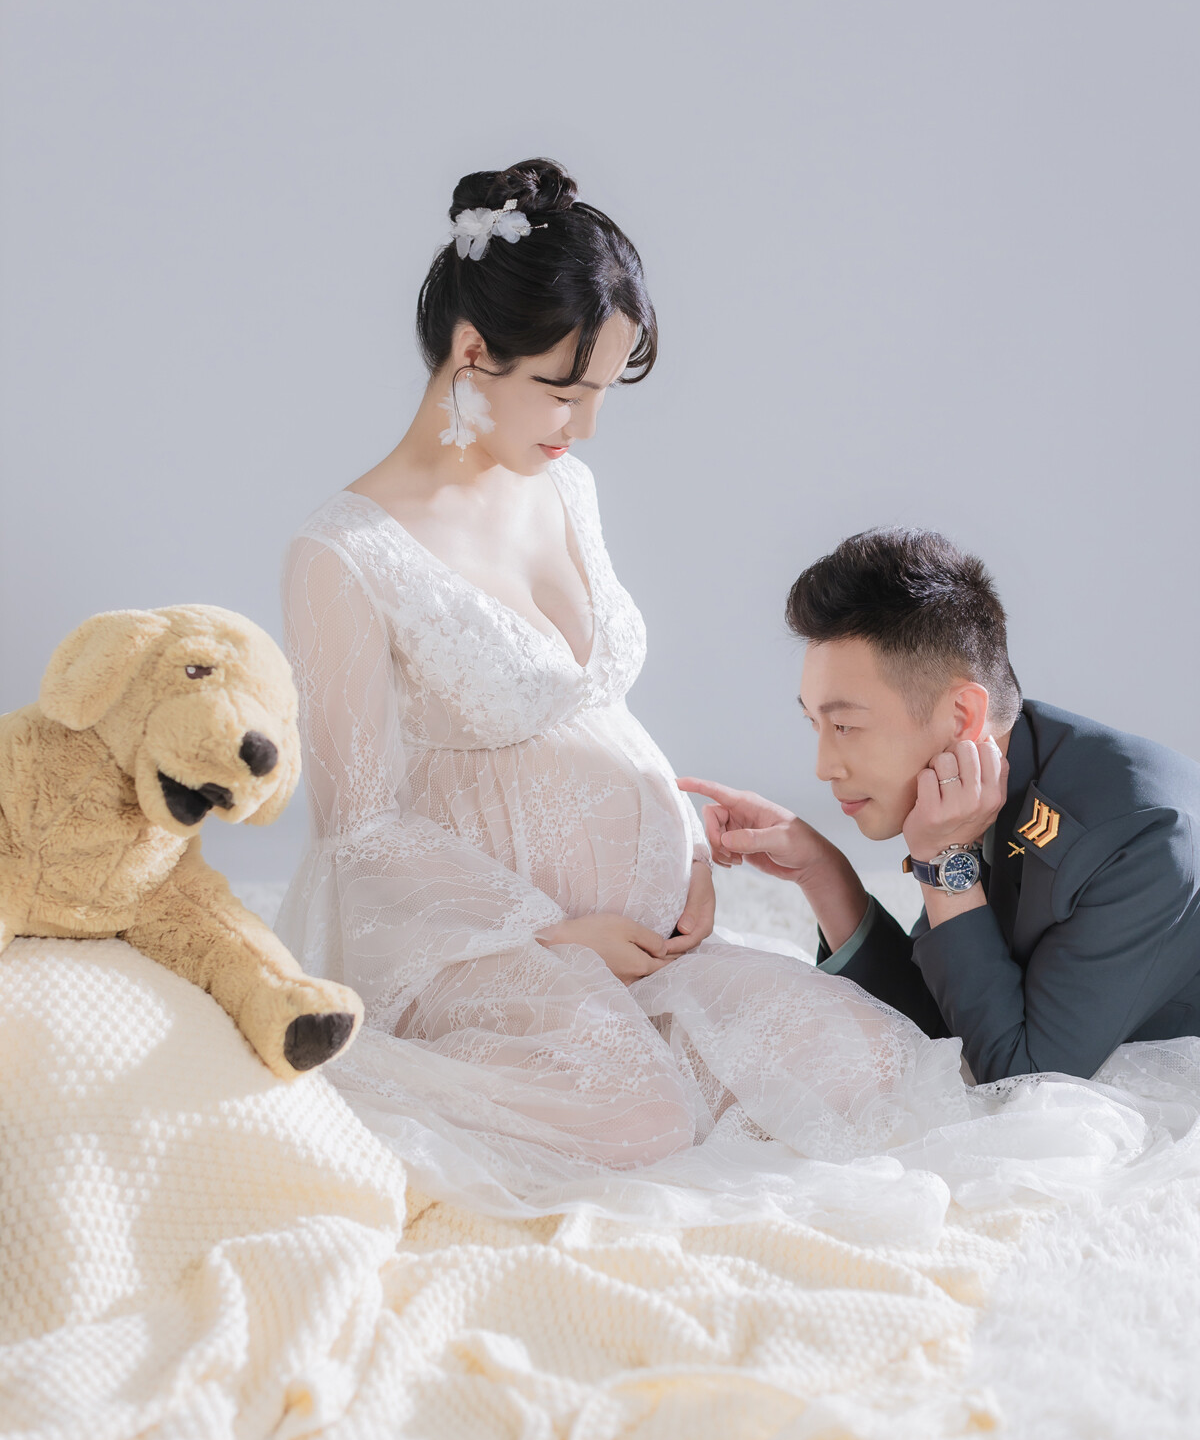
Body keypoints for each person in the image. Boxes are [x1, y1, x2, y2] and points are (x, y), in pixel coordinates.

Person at [275, 158, 970, 1191]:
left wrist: (681, 845)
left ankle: (647, 1036)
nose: (585, 426)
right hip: (483, 942)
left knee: (864, 1058)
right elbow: (360, 832)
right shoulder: (344, 553)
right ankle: (336, 1078)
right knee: (635, 1119)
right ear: (473, 352)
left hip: (647, 933)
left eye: (601, 391)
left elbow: (598, 711)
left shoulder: (567, 489)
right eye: (565, 391)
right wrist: (551, 937)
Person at [681, 528, 1200, 1085]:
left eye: (845, 726)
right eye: (815, 724)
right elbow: (935, 1023)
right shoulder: (981, 784)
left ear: (962, 717)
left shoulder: (1141, 839)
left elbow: (1018, 1081)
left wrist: (944, 862)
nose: (823, 766)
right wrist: (822, 870)